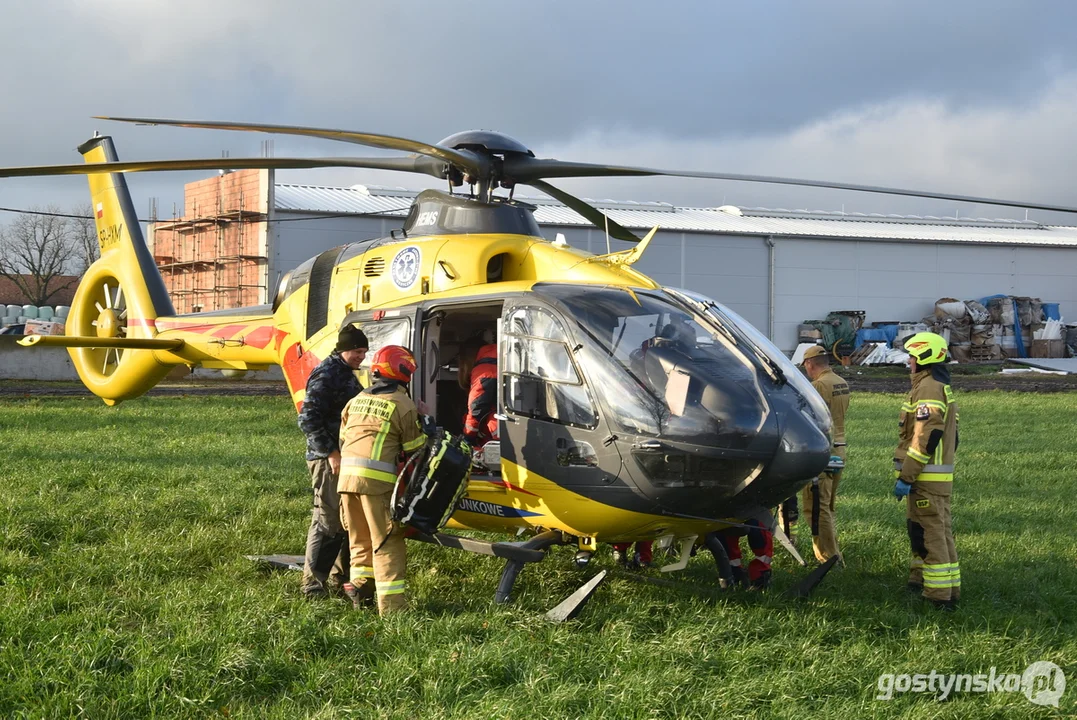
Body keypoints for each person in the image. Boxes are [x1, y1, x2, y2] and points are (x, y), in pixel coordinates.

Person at [338, 344, 427, 615]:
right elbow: (415, 449)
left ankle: (360, 589)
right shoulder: (402, 403)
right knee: (386, 541)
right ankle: (392, 610)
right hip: (375, 484)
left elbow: (345, 438)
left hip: (346, 482)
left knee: (359, 539)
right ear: (404, 374)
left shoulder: (355, 400)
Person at [296, 323, 367, 599]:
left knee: (343, 520)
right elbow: (307, 418)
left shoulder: (345, 373)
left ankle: (339, 578)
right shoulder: (327, 374)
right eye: (357, 351)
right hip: (327, 460)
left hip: (344, 457)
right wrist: (331, 453)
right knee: (326, 521)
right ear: (343, 350)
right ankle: (313, 587)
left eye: (364, 351)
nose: (361, 356)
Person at [894, 332, 960, 610]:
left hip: (924, 477)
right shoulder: (934, 386)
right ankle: (922, 580)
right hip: (933, 477)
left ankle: (939, 597)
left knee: (931, 534)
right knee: (928, 530)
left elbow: (925, 437)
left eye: (912, 355)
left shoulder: (929, 388)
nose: (908, 360)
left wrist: (907, 475)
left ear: (924, 357)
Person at [800, 344, 850, 564]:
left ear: (810, 364)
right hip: (840, 447)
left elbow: (812, 419)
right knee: (828, 507)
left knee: (817, 509)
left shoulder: (818, 385)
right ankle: (833, 553)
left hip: (824, 451)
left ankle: (829, 559)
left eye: (806, 367)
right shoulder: (841, 382)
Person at [459, 337, 499, 447]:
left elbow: (476, 408)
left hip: (497, 431)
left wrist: (468, 437)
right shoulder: (500, 359)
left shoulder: (484, 370)